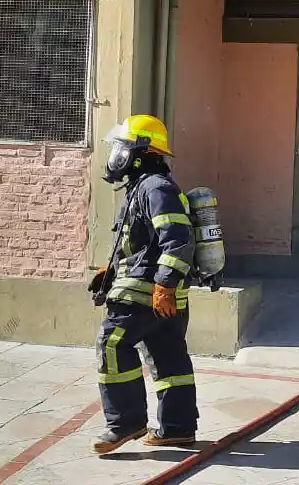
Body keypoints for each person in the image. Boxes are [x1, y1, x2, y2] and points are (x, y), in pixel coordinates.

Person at [87, 114, 199, 455]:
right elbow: (141, 243)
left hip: (146, 293)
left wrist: (164, 286)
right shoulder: (144, 187)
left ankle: (126, 422)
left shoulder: (155, 188)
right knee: (168, 357)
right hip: (156, 293)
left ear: (141, 152)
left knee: (112, 344)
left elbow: (177, 239)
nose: (116, 154)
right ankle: (176, 429)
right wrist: (111, 268)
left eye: (122, 147)